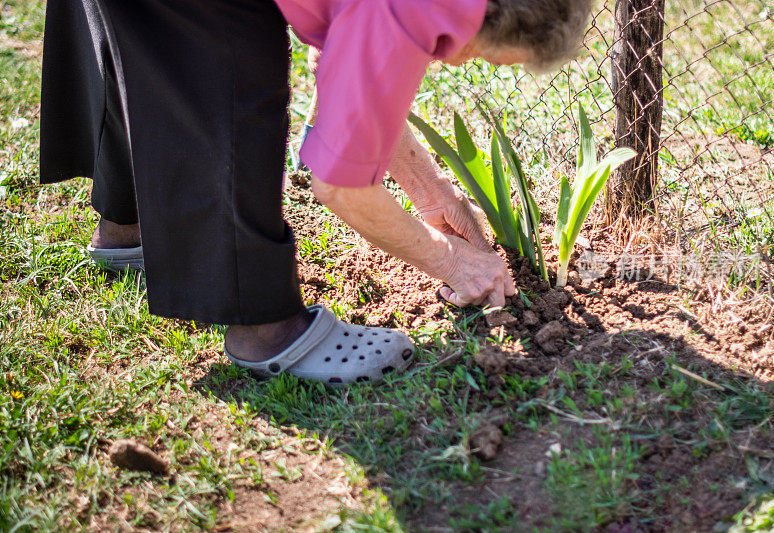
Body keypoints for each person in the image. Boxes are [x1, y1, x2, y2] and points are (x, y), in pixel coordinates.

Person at [39, 0, 590, 387]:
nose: (478, 63)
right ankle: (266, 330)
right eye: (497, 58)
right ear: (504, 18)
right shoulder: (414, 8)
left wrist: (430, 190)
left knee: (140, 28)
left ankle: (127, 228)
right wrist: (453, 263)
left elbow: (360, 83)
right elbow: (341, 186)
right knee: (231, 77)